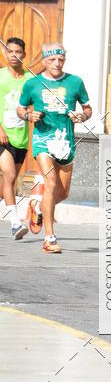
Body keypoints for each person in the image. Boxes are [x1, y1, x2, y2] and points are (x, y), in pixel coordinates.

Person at [17, 43, 92, 254]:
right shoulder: (33, 84)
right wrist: (27, 116)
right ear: (43, 61)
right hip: (43, 139)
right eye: (52, 60)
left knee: (63, 192)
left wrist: (82, 116)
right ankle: (49, 238)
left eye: (60, 59)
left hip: (66, 141)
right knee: (50, 182)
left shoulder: (75, 82)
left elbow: (87, 108)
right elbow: (21, 108)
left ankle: (38, 207)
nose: (57, 63)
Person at [0, 37, 32, 240]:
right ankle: (15, 224)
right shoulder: (0, 77)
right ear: (5, 53)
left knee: (7, 184)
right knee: (10, 176)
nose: (14, 55)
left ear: (24, 54)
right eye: (10, 51)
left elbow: (38, 104)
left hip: (21, 138)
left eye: (18, 52)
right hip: (2, 136)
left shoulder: (31, 79)